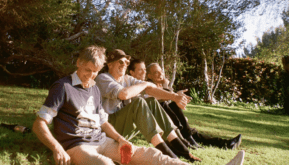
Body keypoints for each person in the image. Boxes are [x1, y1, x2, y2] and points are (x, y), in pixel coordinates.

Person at [32, 46, 192, 165]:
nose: (91, 76)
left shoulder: (94, 87)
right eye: (88, 70)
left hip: (102, 141)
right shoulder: (63, 87)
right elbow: (39, 124)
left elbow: (103, 122)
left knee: (146, 153)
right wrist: (57, 148)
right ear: (78, 62)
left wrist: (120, 139)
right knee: (106, 164)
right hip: (78, 145)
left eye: (95, 71)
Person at [95, 49, 202, 162]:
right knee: (139, 103)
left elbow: (151, 90)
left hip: (123, 127)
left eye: (126, 62)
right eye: (120, 62)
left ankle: (183, 150)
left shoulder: (127, 79)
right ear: (109, 64)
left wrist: (175, 97)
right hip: (108, 128)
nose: (124, 65)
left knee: (150, 101)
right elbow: (124, 94)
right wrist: (145, 84)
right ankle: (169, 153)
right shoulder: (103, 78)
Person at [138, 62, 242, 150]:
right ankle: (188, 138)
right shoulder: (149, 86)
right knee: (176, 111)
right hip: (161, 123)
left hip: (173, 122)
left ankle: (226, 144)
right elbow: (164, 99)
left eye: (161, 71)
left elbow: (169, 97)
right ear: (149, 76)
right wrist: (168, 87)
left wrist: (175, 94)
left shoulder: (160, 85)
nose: (160, 74)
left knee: (194, 134)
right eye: (156, 72)